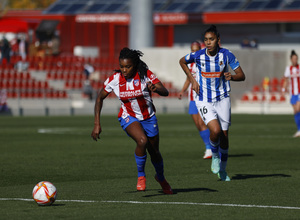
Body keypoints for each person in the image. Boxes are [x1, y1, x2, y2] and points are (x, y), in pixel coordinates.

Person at [91, 47, 173, 194]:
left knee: (155, 152)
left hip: (148, 117)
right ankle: (141, 175)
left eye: (128, 66)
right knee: (142, 141)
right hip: (128, 116)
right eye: (122, 66)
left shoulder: (145, 75)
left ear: (134, 65)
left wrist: (155, 88)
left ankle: (161, 178)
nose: (124, 70)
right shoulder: (115, 79)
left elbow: (165, 91)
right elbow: (99, 98)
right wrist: (97, 123)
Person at [179, 25, 246, 181]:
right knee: (215, 131)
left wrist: (231, 77)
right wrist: (192, 79)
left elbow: (242, 75)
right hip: (203, 99)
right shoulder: (198, 55)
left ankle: (223, 169)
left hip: (223, 98)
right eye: (206, 40)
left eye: (211, 39)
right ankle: (214, 155)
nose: (208, 42)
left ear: (218, 40)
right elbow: (182, 61)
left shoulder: (227, 55)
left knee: (224, 135)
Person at [178, 41, 212, 159]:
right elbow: (189, 79)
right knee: (198, 124)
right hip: (192, 98)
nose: (194, 52)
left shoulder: (205, 63)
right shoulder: (190, 64)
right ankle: (209, 146)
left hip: (203, 97)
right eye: (192, 50)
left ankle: (210, 148)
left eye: (196, 50)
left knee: (202, 123)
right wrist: (182, 91)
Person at [282, 50, 300, 138]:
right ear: (291, 59)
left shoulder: (299, 67)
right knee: (295, 111)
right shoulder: (288, 69)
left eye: (296, 59)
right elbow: (285, 79)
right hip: (292, 93)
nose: (295, 60)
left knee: (298, 108)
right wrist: (283, 88)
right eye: (294, 59)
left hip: (299, 92)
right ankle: (299, 129)